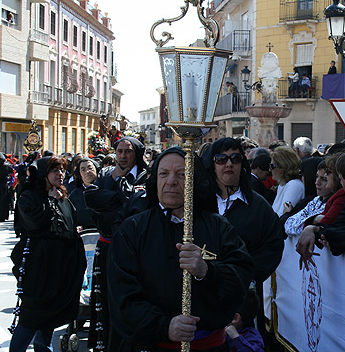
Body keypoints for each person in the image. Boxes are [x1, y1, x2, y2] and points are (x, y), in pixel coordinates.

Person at [106, 147, 253, 351]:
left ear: (195, 180)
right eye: (163, 174)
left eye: (182, 174)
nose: (171, 181)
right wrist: (165, 326)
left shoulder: (219, 227)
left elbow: (241, 282)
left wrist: (207, 271)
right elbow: (122, 297)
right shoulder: (132, 230)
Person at [202, 138, 284, 343]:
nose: (228, 164)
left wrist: (244, 273)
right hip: (201, 294)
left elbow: (273, 246)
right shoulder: (199, 204)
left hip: (241, 297)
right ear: (211, 165)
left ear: (242, 164)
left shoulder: (258, 206)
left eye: (235, 158)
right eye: (221, 159)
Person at [9, 156, 86, 352]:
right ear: (44, 174)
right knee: (31, 317)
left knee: (49, 318)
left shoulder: (62, 197)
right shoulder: (30, 197)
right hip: (39, 268)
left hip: (58, 269)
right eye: (55, 170)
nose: (60, 174)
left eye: (62, 170)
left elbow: (70, 222)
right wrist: (51, 202)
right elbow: (35, 223)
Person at [84, 136, 149, 352]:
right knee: (107, 303)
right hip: (107, 248)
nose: (122, 156)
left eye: (128, 151)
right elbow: (92, 200)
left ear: (136, 153)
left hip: (134, 252)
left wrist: (114, 198)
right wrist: (121, 193)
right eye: (119, 151)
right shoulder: (105, 175)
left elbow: (136, 208)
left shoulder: (146, 177)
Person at [284, 160, 335, 237]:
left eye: (324, 179)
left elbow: (298, 227)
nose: (317, 182)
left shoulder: (333, 205)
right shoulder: (316, 200)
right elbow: (288, 224)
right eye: (317, 177)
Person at [270, 146, 305, 217]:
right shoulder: (282, 185)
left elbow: (282, 214)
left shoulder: (294, 185)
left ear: (283, 166)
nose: (270, 170)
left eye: (272, 166)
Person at [68, 158, 100, 229]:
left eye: (90, 168)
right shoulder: (74, 195)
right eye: (83, 169)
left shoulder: (105, 189)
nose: (87, 172)